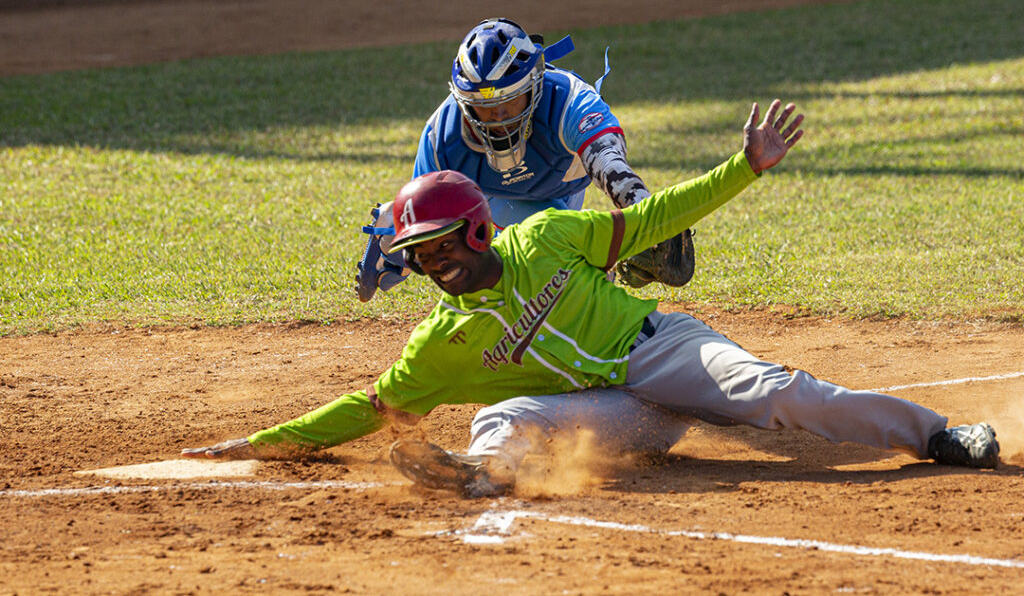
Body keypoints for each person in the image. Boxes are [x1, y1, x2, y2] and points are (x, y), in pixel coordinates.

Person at [184, 100, 1000, 498]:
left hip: (663, 352)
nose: (428, 265)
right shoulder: (439, 345)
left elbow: (650, 217)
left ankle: (937, 436)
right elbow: (370, 405)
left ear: (474, 233)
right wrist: (260, 441)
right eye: (416, 256)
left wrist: (745, 168)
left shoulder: (543, 239)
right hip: (623, 417)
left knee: (778, 394)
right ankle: (485, 476)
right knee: (498, 422)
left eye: (434, 247)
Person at [355, 17, 695, 302]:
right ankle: (391, 229)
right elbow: (427, 204)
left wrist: (645, 219)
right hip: (489, 199)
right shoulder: (442, 135)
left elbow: (611, 167)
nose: (498, 117)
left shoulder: (569, 100)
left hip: (563, 187)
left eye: (510, 102)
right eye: (484, 107)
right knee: (561, 264)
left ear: (535, 84)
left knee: (564, 257)